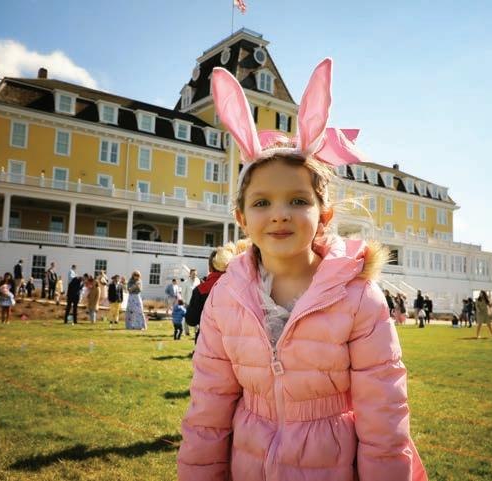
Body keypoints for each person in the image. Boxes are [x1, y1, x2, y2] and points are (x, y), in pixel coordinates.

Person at [178, 60, 427, 480]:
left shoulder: (358, 297)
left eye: (297, 200)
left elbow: (384, 415)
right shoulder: (226, 297)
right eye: (262, 203)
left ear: (324, 214)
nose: (279, 214)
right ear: (241, 218)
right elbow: (208, 409)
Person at [185, 249, 228, 345]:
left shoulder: (200, 290)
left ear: (210, 267)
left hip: (206, 342)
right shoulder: (237, 288)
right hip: (231, 343)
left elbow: (191, 320)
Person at [180, 269, 200, 336]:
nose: (194, 275)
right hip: (188, 303)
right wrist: (184, 302)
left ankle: (196, 331)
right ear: (190, 274)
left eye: (195, 274)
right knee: (186, 318)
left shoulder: (198, 281)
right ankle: (186, 332)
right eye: (193, 274)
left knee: (196, 317)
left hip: (196, 303)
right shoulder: (186, 282)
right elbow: (183, 294)